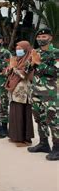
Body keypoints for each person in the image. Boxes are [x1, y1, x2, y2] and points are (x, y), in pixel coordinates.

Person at [28, 28, 59, 161]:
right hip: (36, 91)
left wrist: (39, 63)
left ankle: (57, 148)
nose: (41, 39)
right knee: (39, 118)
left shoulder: (55, 53)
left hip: (50, 93)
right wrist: (31, 63)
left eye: (44, 36)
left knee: (53, 119)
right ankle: (43, 143)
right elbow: (29, 70)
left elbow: (56, 71)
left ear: (50, 38)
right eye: (39, 37)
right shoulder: (36, 52)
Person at [5, 41, 34, 145]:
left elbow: (25, 74)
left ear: (26, 49)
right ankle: (15, 137)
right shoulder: (16, 59)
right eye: (17, 49)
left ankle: (25, 139)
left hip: (23, 93)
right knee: (14, 114)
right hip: (14, 91)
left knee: (22, 114)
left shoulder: (30, 59)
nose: (18, 51)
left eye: (20, 48)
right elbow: (8, 72)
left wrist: (14, 68)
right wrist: (9, 68)